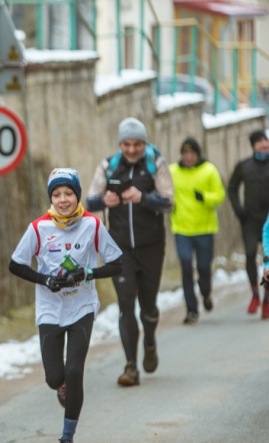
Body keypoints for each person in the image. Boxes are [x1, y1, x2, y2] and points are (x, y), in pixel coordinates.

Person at [9, 168, 122, 443]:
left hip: (82, 306)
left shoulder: (92, 224)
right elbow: (15, 264)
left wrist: (87, 274)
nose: (63, 199)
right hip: (49, 309)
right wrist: (45, 279)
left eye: (68, 193)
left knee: (74, 371)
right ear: (51, 198)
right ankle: (60, 387)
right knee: (54, 377)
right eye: (57, 194)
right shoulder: (38, 228)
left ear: (77, 195)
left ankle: (67, 436)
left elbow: (117, 264)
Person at [85, 117, 173, 387]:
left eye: (137, 144)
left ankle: (149, 340)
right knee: (126, 306)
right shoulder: (108, 166)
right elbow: (89, 201)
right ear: (120, 144)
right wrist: (105, 201)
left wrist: (143, 198)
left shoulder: (155, 164)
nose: (132, 149)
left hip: (151, 246)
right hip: (119, 248)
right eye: (126, 144)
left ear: (144, 143)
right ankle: (131, 366)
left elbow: (169, 202)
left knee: (148, 305)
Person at [169, 137, 226, 325]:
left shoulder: (209, 170)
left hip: (205, 228)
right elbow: (165, 192)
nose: (188, 156)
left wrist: (205, 197)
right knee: (186, 267)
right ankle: (192, 310)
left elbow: (219, 194)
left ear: (198, 154)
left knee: (203, 268)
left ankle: (206, 293)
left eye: (192, 153)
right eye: (185, 153)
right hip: (182, 229)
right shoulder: (172, 171)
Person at [227, 129, 269, 318]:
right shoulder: (244, 166)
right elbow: (232, 188)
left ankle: (267, 298)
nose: (263, 144)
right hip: (250, 220)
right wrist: (239, 211)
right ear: (253, 145)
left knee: (268, 259)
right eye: (259, 141)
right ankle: (254, 294)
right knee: (250, 254)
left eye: (265, 140)